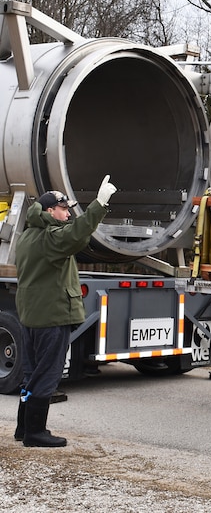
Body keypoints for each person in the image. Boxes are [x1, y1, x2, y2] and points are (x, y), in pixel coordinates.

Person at [13, 176, 117, 447]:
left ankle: (24, 428)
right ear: (50, 212)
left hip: (32, 318)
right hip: (51, 318)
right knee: (47, 374)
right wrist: (99, 204)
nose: (68, 213)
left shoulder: (27, 235)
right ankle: (36, 433)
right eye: (64, 209)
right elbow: (77, 233)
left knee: (32, 373)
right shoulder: (51, 238)